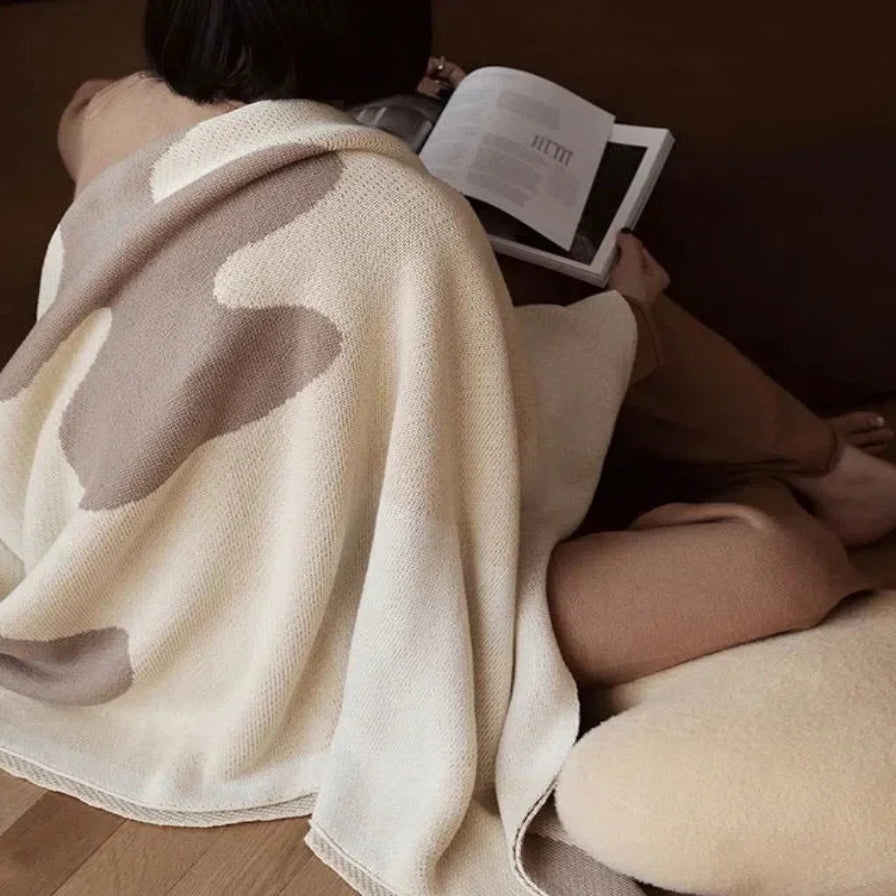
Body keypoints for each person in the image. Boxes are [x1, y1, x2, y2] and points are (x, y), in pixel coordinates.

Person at [51, 0, 896, 693]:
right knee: (777, 569)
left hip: (105, 577)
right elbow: (482, 420)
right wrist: (629, 318)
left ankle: (786, 467)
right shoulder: (387, 208)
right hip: (306, 633)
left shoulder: (107, 112)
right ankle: (778, 471)